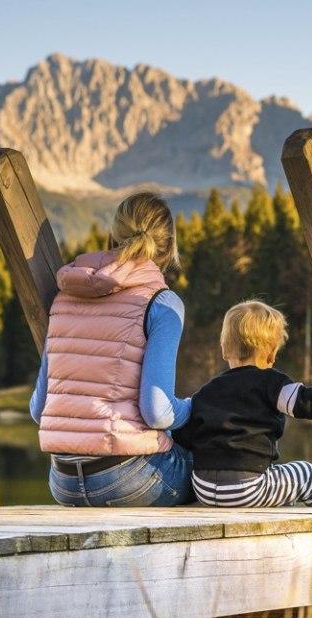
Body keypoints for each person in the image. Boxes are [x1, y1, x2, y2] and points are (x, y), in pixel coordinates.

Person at [30, 191, 194, 506]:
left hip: (62, 482)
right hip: (127, 480)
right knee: (211, 468)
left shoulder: (65, 297)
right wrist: (193, 407)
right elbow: (157, 411)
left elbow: (39, 409)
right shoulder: (162, 303)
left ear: (110, 237)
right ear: (169, 246)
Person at [173, 299, 312, 508]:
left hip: (204, 490)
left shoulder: (206, 392)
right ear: (272, 354)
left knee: (276, 479)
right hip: (247, 489)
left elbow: (185, 435)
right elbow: (305, 402)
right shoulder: (272, 384)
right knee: (307, 473)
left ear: (225, 350)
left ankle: (277, 498)